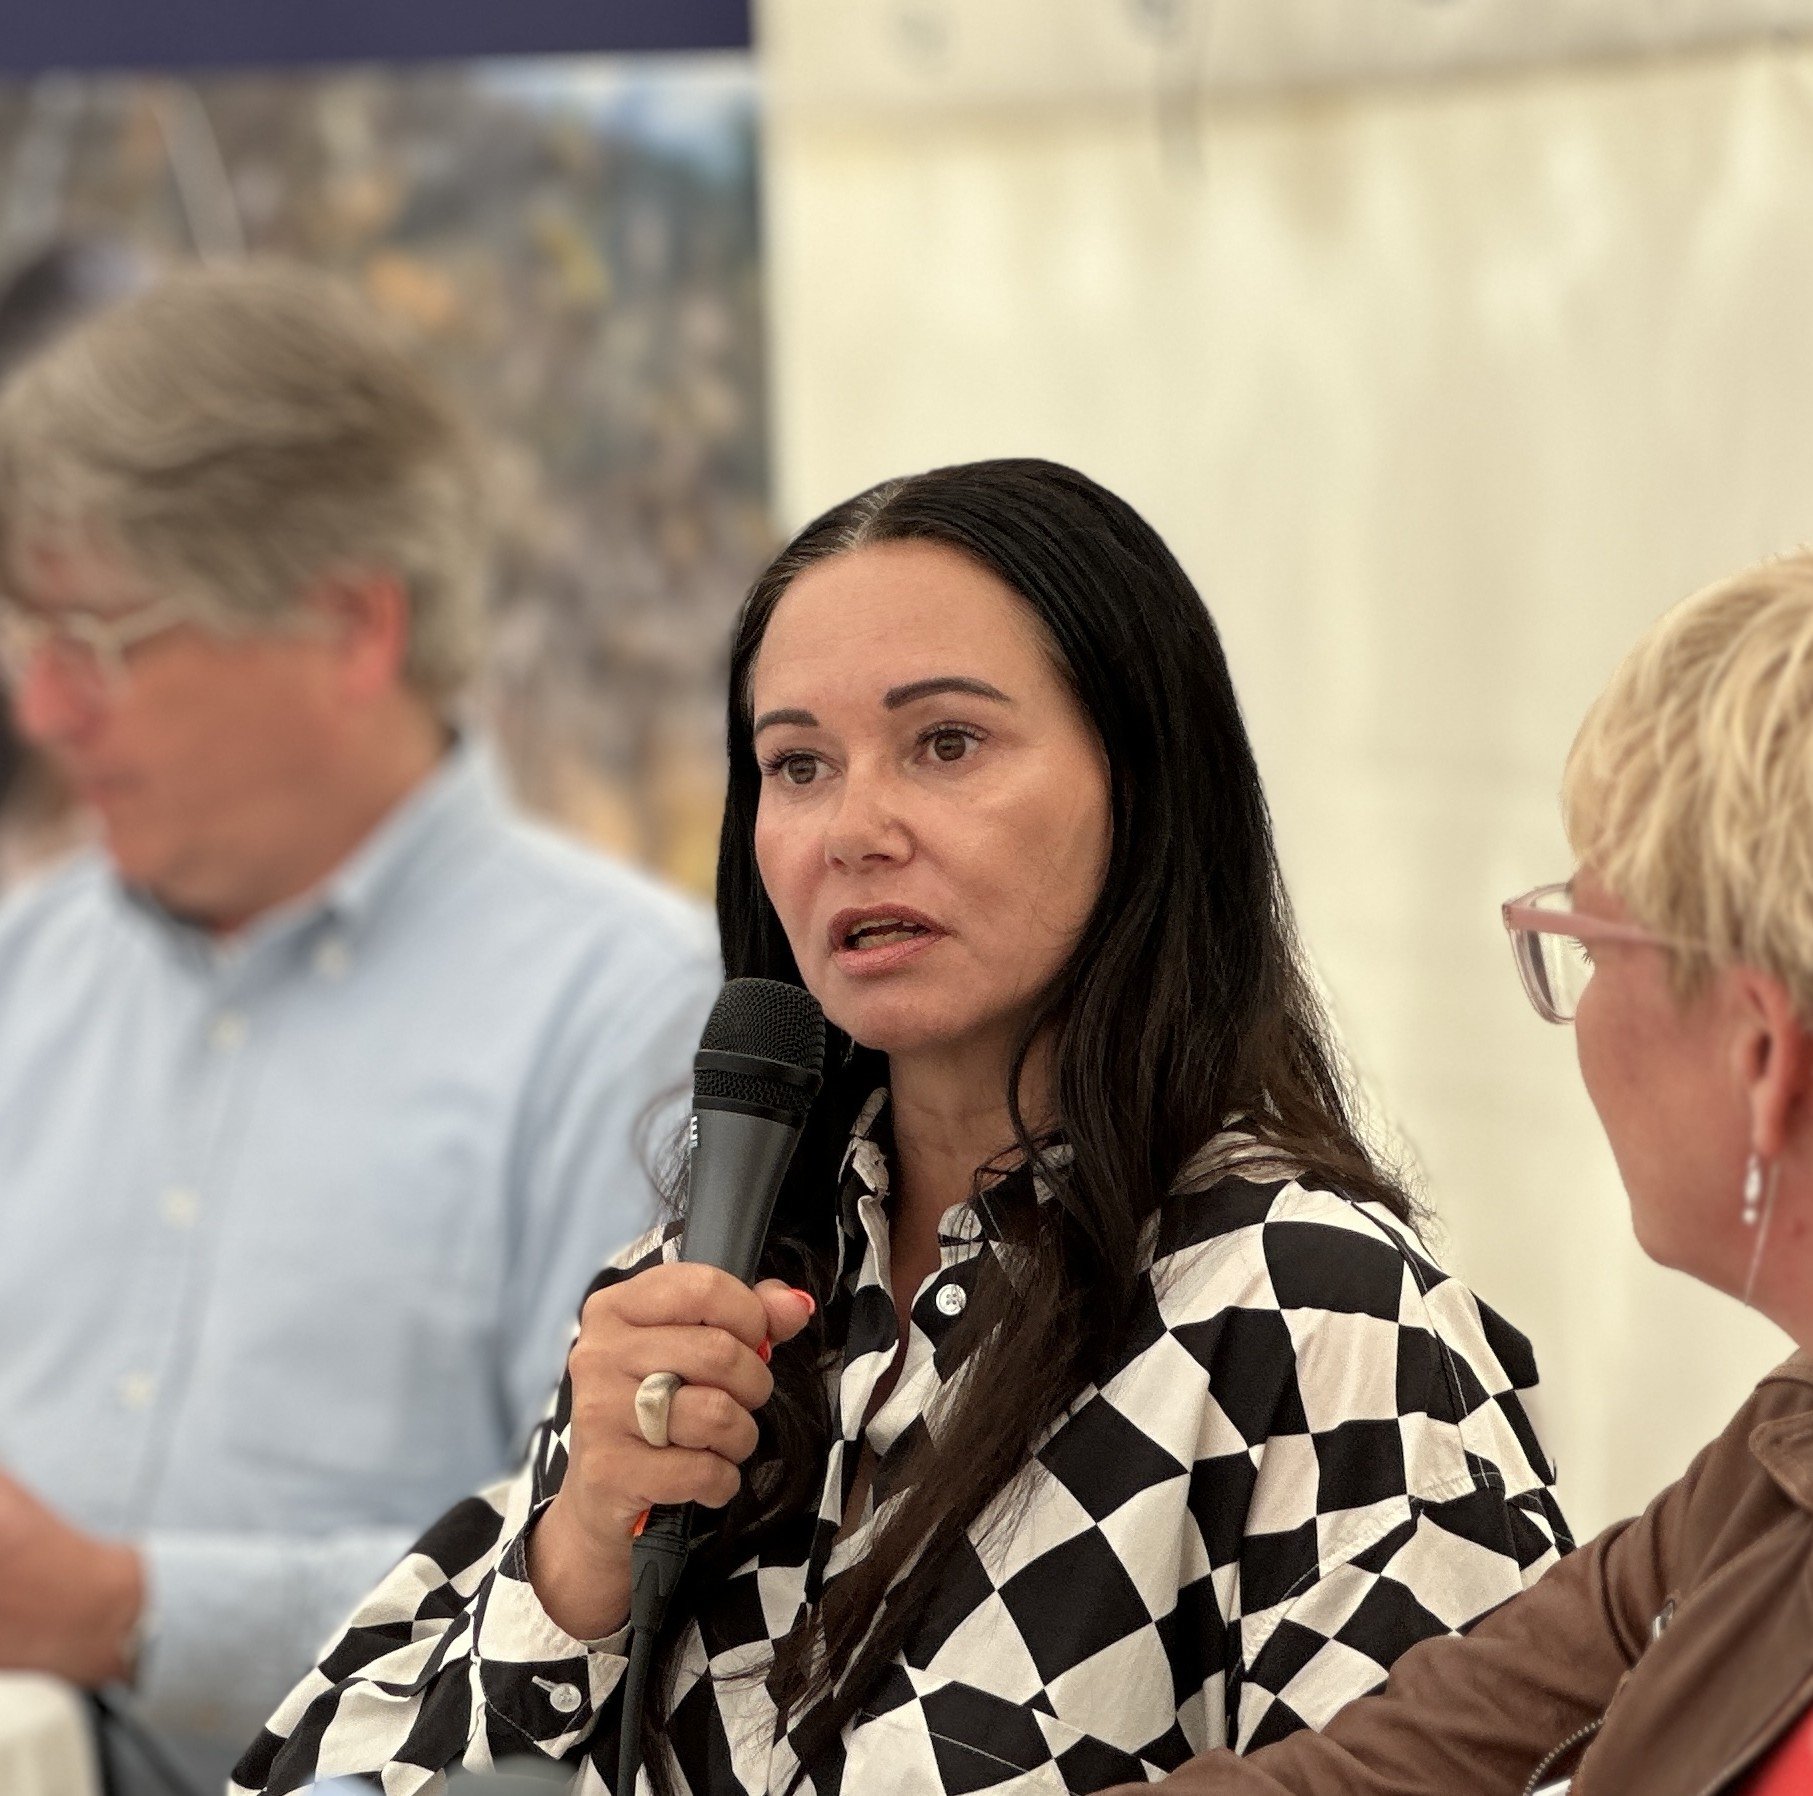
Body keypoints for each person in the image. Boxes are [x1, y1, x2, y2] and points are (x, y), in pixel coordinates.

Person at [237, 459, 1567, 1796]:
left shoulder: (1310, 1310)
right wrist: (579, 1550)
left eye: (946, 744)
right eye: (797, 764)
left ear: (1145, 783)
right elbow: (306, 1772)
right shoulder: (704, 1288)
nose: (852, 830)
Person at [0, 262, 719, 1790]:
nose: (46, 710)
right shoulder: (22, 969)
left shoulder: (624, 1013)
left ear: (349, 628)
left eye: (100, 644)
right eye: (28, 638)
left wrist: (127, 1615)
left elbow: (623, 1585)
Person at [1083, 550, 1813, 1796]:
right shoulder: (1774, 1455)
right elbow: (1388, 1764)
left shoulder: (1328, 1294)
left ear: (1757, 1050)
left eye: (1588, 945)